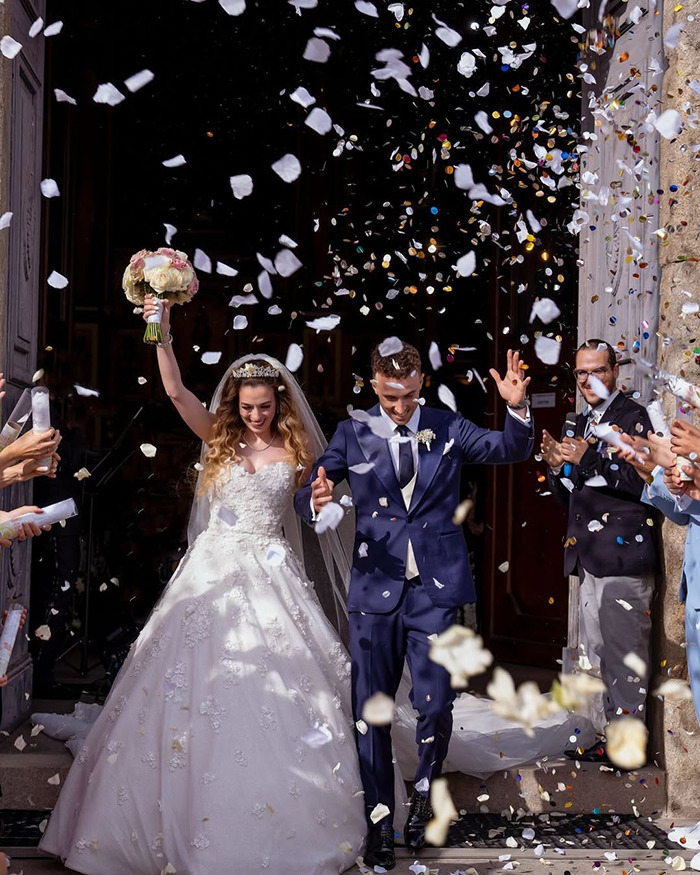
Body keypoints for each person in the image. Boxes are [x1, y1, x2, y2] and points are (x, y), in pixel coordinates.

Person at [39, 296, 366, 875]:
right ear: (235, 404)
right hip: (210, 572)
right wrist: (160, 330)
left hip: (271, 569)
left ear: (279, 403)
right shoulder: (218, 435)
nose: (256, 416)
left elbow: (314, 506)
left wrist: (322, 498)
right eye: (247, 406)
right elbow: (175, 392)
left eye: (265, 407)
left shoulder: (298, 449)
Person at [294, 340, 534, 869]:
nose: (399, 407)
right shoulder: (352, 432)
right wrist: (313, 499)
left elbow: (509, 449)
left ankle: (424, 796)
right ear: (374, 386)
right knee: (370, 711)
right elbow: (310, 488)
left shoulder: (448, 426)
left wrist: (518, 410)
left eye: (407, 396)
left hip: (435, 591)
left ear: (421, 382)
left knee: (436, 703)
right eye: (389, 397)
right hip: (373, 593)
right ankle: (380, 824)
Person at [540, 338, 659, 760]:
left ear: (614, 372)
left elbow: (642, 484)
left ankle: (628, 752)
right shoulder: (578, 422)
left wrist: (587, 458)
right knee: (598, 655)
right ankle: (608, 739)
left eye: (597, 371)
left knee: (625, 658)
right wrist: (558, 467)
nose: (588, 380)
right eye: (581, 373)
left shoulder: (634, 418)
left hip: (623, 559)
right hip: (588, 557)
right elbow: (571, 495)